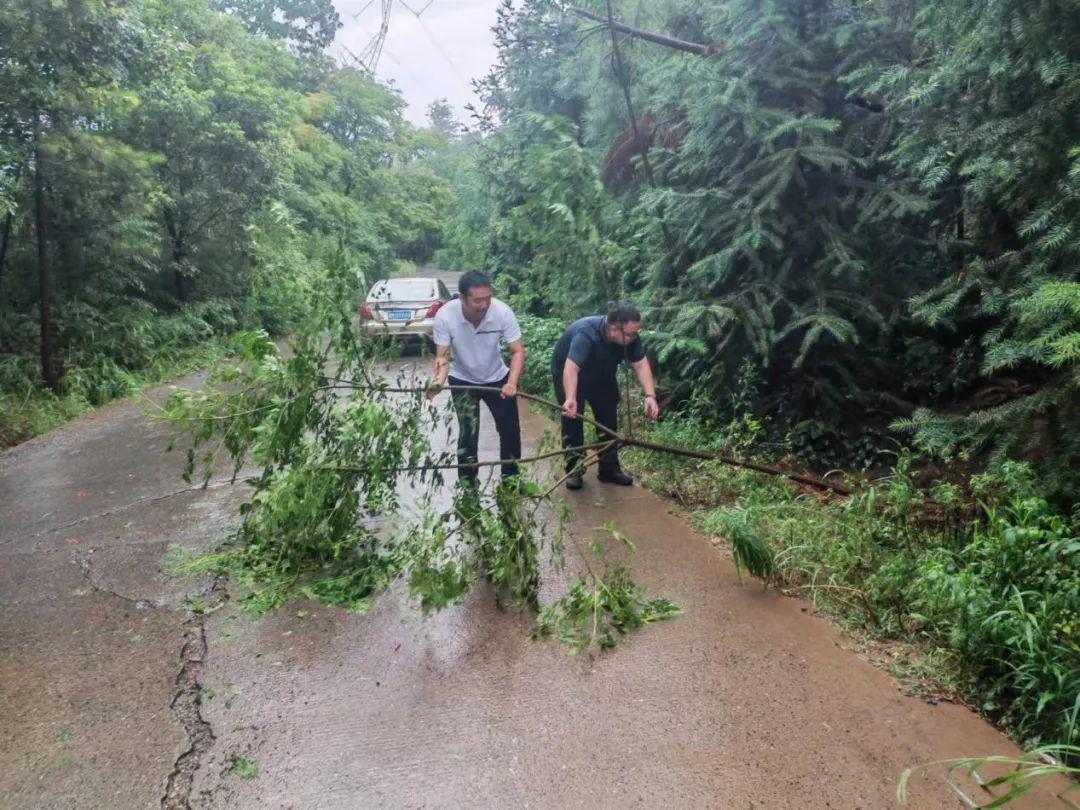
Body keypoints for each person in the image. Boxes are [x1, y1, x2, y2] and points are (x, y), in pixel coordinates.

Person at [427, 271, 526, 486]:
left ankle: (511, 481)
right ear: (462, 298)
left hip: (497, 378)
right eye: (477, 300)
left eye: (487, 298)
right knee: (468, 434)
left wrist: (512, 382)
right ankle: (468, 485)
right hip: (462, 379)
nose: (483, 305)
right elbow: (442, 357)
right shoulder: (445, 316)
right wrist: (438, 382)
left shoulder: (502, 312)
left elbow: (517, 351)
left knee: (510, 430)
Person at [551, 303, 659, 490]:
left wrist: (650, 395)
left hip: (602, 376)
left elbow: (641, 364)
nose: (635, 337)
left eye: (636, 333)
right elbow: (571, 368)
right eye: (631, 334)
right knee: (572, 419)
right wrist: (570, 398)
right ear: (614, 329)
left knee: (608, 419)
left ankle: (609, 470)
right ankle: (574, 469)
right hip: (569, 376)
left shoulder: (629, 338)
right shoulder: (586, 334)